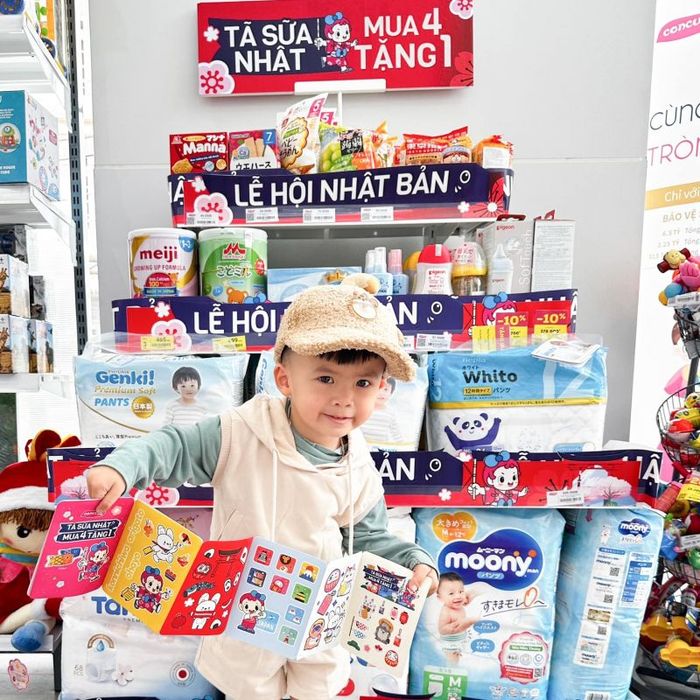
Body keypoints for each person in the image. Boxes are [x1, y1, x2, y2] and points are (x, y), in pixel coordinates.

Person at [86, 280, 438, 700]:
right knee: (249, 690)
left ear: (382, 390)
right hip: (244, 610)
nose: (344, 398)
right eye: (326, 378)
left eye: (363, 383)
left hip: (318, 618)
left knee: (319, 691)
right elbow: (174, 446)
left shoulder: (358, 462)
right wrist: (123, 467)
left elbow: (369, 535)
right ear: (285, 379)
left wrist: (414, 560)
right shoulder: (240, 432)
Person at [436, 572, 481, 665]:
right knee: (452, 662)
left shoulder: (458, 603)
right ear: (440, 598)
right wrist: (460, 623)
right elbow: (442, 630)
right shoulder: (446, 611)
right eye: (451, 593)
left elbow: (472, 593)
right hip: (450, 644)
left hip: (460, 640)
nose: (458, 596)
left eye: (461, 591)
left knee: (463, 660)